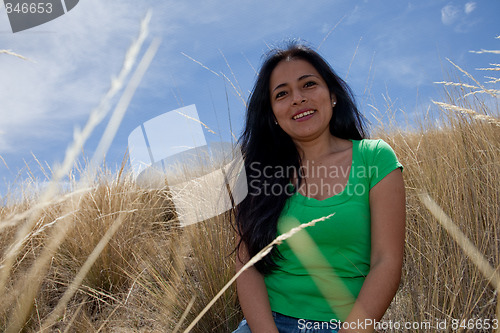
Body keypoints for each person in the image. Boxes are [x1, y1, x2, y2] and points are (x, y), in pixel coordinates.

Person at [232, 42, 405, 333]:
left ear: (333, 95)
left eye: (308, 84)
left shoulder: (375, 157)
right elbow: (246, 267)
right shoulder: (254, 173)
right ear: (272, 113)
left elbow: (386, 262)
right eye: (282, 94)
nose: (298, 99)